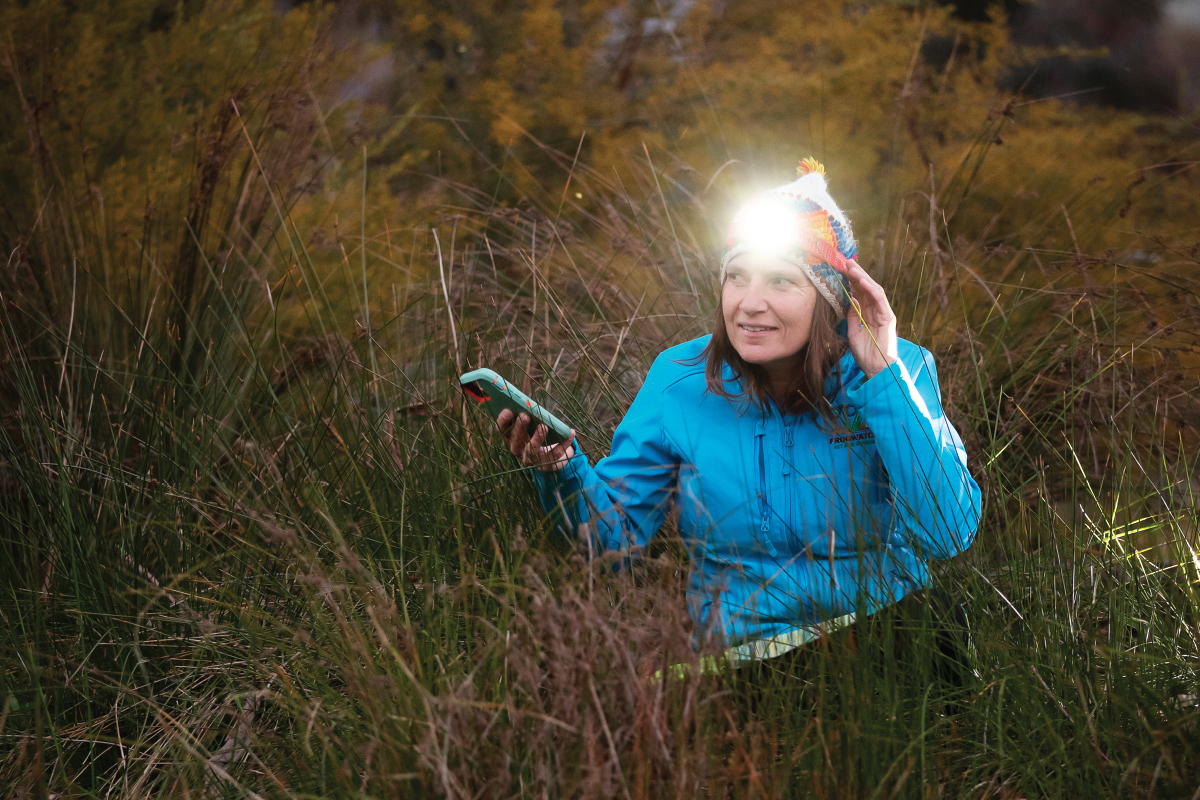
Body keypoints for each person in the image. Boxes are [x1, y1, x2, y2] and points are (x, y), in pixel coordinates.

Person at [496, 158, 981, 667]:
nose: (750, 303)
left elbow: (949, 533)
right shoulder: (679, 380)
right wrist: (560, 471)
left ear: (829, 299)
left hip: (882, 634)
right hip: (744, 656)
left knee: (938, 623)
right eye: (737, 277)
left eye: (780, 281)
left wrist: (884, 379)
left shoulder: (895, 370)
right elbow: (606, 545)